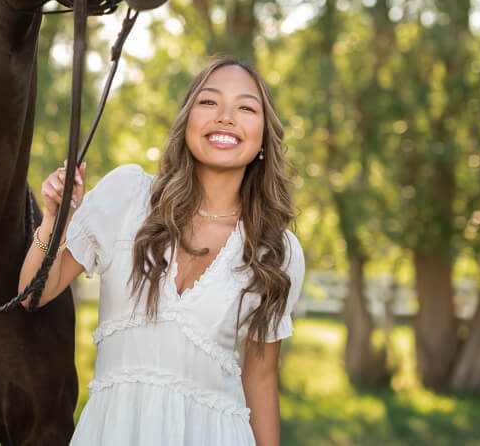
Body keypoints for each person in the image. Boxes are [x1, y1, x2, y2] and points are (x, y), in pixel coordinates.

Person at [18, 58, 305, 446]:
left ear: (263, 138)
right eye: (209, 102)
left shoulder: (276, 251)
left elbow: (261, 377)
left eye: (246, 108)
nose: (225, 117)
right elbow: (33, 295)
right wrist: (54, 221)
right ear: (187, 120)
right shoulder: (127, 195)